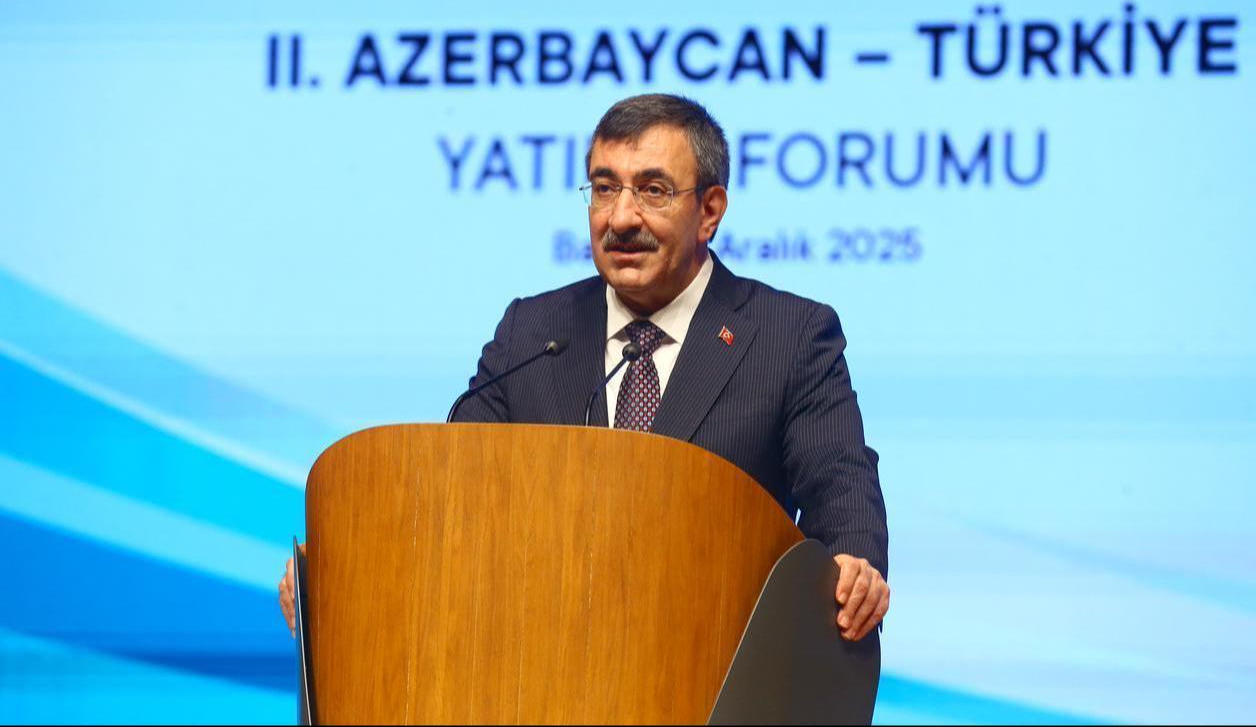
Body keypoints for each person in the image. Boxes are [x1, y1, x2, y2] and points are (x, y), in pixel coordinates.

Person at [279, 93, 889, 642]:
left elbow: (843, 489)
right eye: (603, 188)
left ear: (710, 210)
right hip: (544, 670)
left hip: (713, 667)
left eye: (652, 190)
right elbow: (449, 493)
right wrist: (346, 572)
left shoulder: (788, 334)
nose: (620, 219)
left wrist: (852, 567)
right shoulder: (534, 331)